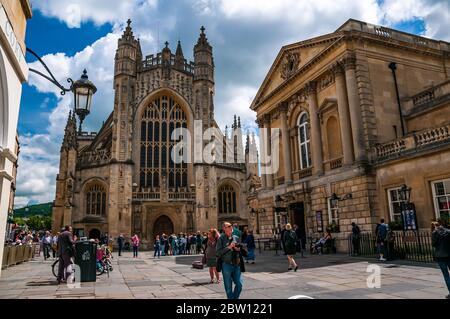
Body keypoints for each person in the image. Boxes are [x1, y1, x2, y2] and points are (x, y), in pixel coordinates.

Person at [216, 222, 244, 299]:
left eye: (231, 226)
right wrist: (228, 247)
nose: (231, 227)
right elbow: (218, 253)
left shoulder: (236, 237)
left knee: (239, 284)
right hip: (226, 265)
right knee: (228, 288)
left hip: (236, 264)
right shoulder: (221, 239)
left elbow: (241, 248)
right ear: (224, 228)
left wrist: (238, 249)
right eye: (229, 226)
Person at [431, 221, 450, 299]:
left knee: (446, 275)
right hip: (449, 254)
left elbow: (433, 244)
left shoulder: (435, 233)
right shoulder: (448, 231)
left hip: (440, 256)